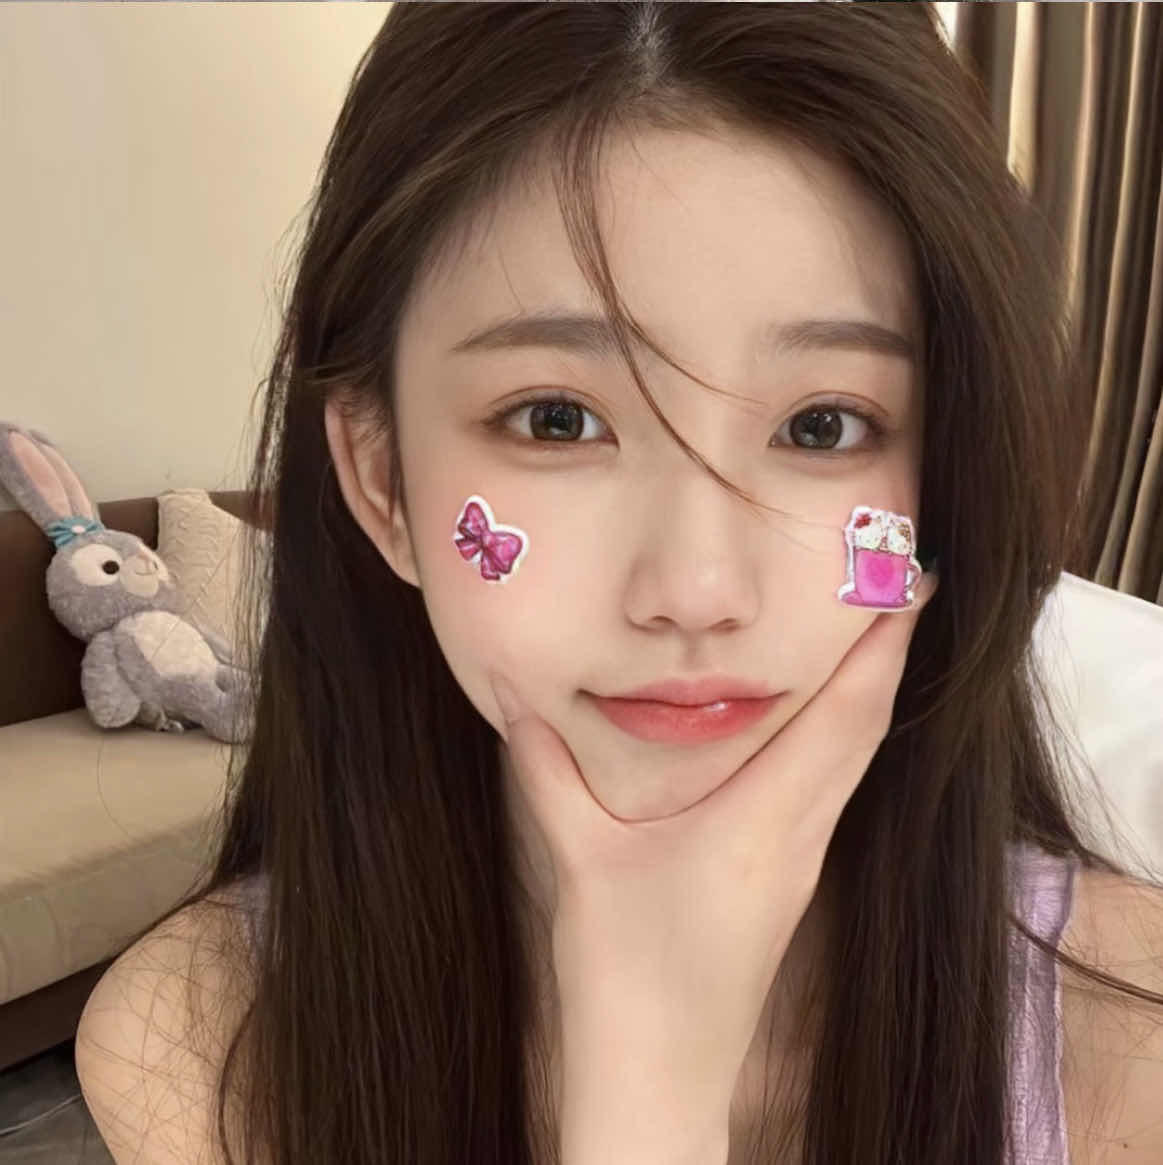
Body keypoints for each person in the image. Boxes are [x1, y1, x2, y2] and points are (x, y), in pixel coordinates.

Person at [74, 4, 1163, 1163]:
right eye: (556, 419)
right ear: (383, 480)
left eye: (822, 424)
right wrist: (646, 1082)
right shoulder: (203, 1040)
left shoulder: (1126, 1035)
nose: (693, 588)